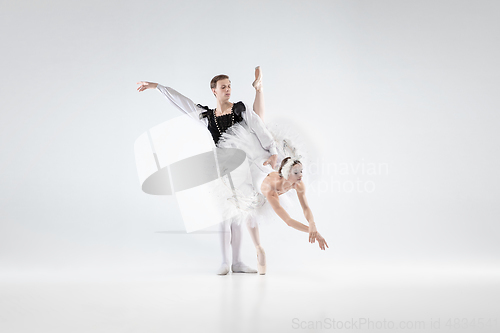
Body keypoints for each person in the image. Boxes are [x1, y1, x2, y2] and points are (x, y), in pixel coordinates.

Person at [136, 67, 277, 275]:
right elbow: (182, 103)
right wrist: (157, 87)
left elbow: (258, 126)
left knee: (238, 215)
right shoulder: (206, 116)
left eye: (229, 86)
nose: (228, 90)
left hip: (243, 167)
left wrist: (272, 150)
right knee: (224, 215)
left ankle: (237, 262)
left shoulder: (240, 109)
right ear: (214, 91)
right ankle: (224, 261)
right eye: (223, 87)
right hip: (222, 168)